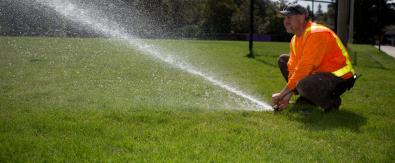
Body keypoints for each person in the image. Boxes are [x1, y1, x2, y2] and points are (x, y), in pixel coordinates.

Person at [272, 3, 357, 112]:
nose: (285, 21)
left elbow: (303, 69)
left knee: (303, 83)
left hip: (340, 77)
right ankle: (307, 99)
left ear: (302, 18)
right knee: (283, 60)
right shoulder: (295, 39)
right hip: (320, 74)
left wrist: (281, 94)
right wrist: (286, 97)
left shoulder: (316, 33)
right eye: (285, 18)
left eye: (289, 17)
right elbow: (294, 68)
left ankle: (331, 103)